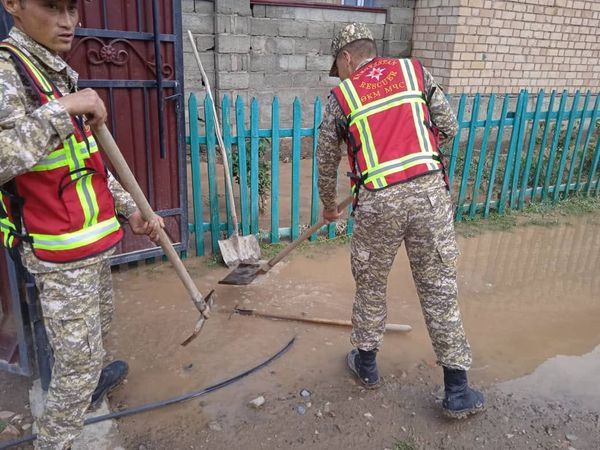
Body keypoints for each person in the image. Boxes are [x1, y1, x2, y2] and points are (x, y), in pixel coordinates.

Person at [0, 0, 164, 448]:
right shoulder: (7, 73)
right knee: (73, 364)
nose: (69, 22)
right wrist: (63, 109)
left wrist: (130, 207)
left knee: (98, 332)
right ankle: (56, 439)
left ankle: (91, 383)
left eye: (73, 8)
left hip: (91, 243)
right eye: (53, 7)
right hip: (58, 252)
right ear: (12, 4)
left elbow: (88, 165)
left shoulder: (55, 74)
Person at [317, 23, 484, 419]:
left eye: (337, 66)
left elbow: (325, 160)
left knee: (371, 285)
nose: (338, 74)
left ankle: (368, 366)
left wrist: (329, 206)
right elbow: (449, 125)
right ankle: (457, 391)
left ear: (346, 58)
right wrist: (419, 152)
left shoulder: (342, 96)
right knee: (440, 289)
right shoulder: (415, 73)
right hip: (429, 195)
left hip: (378, 203)